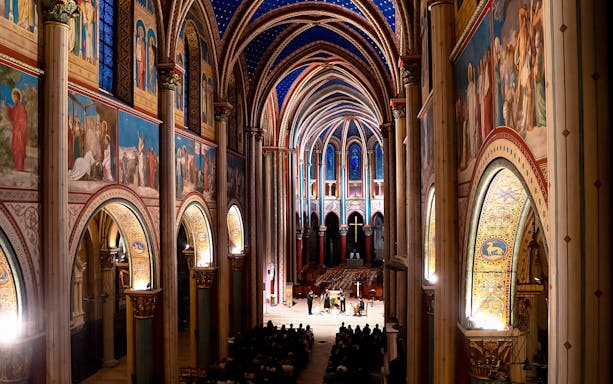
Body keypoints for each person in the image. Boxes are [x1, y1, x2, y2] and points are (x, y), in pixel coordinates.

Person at [4, 88, 28, 171]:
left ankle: (20, 166)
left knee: (20, 148)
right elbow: (11, 114)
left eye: (15, 97)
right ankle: (16, 166)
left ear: (18, 97)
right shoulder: (15, 107)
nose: (14, 99)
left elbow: (23, 119)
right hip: (16, 130)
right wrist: (7, 105)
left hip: (20, 132)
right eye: (13, 97)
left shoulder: (21, 107)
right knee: (15, 148)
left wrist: (19, 125)